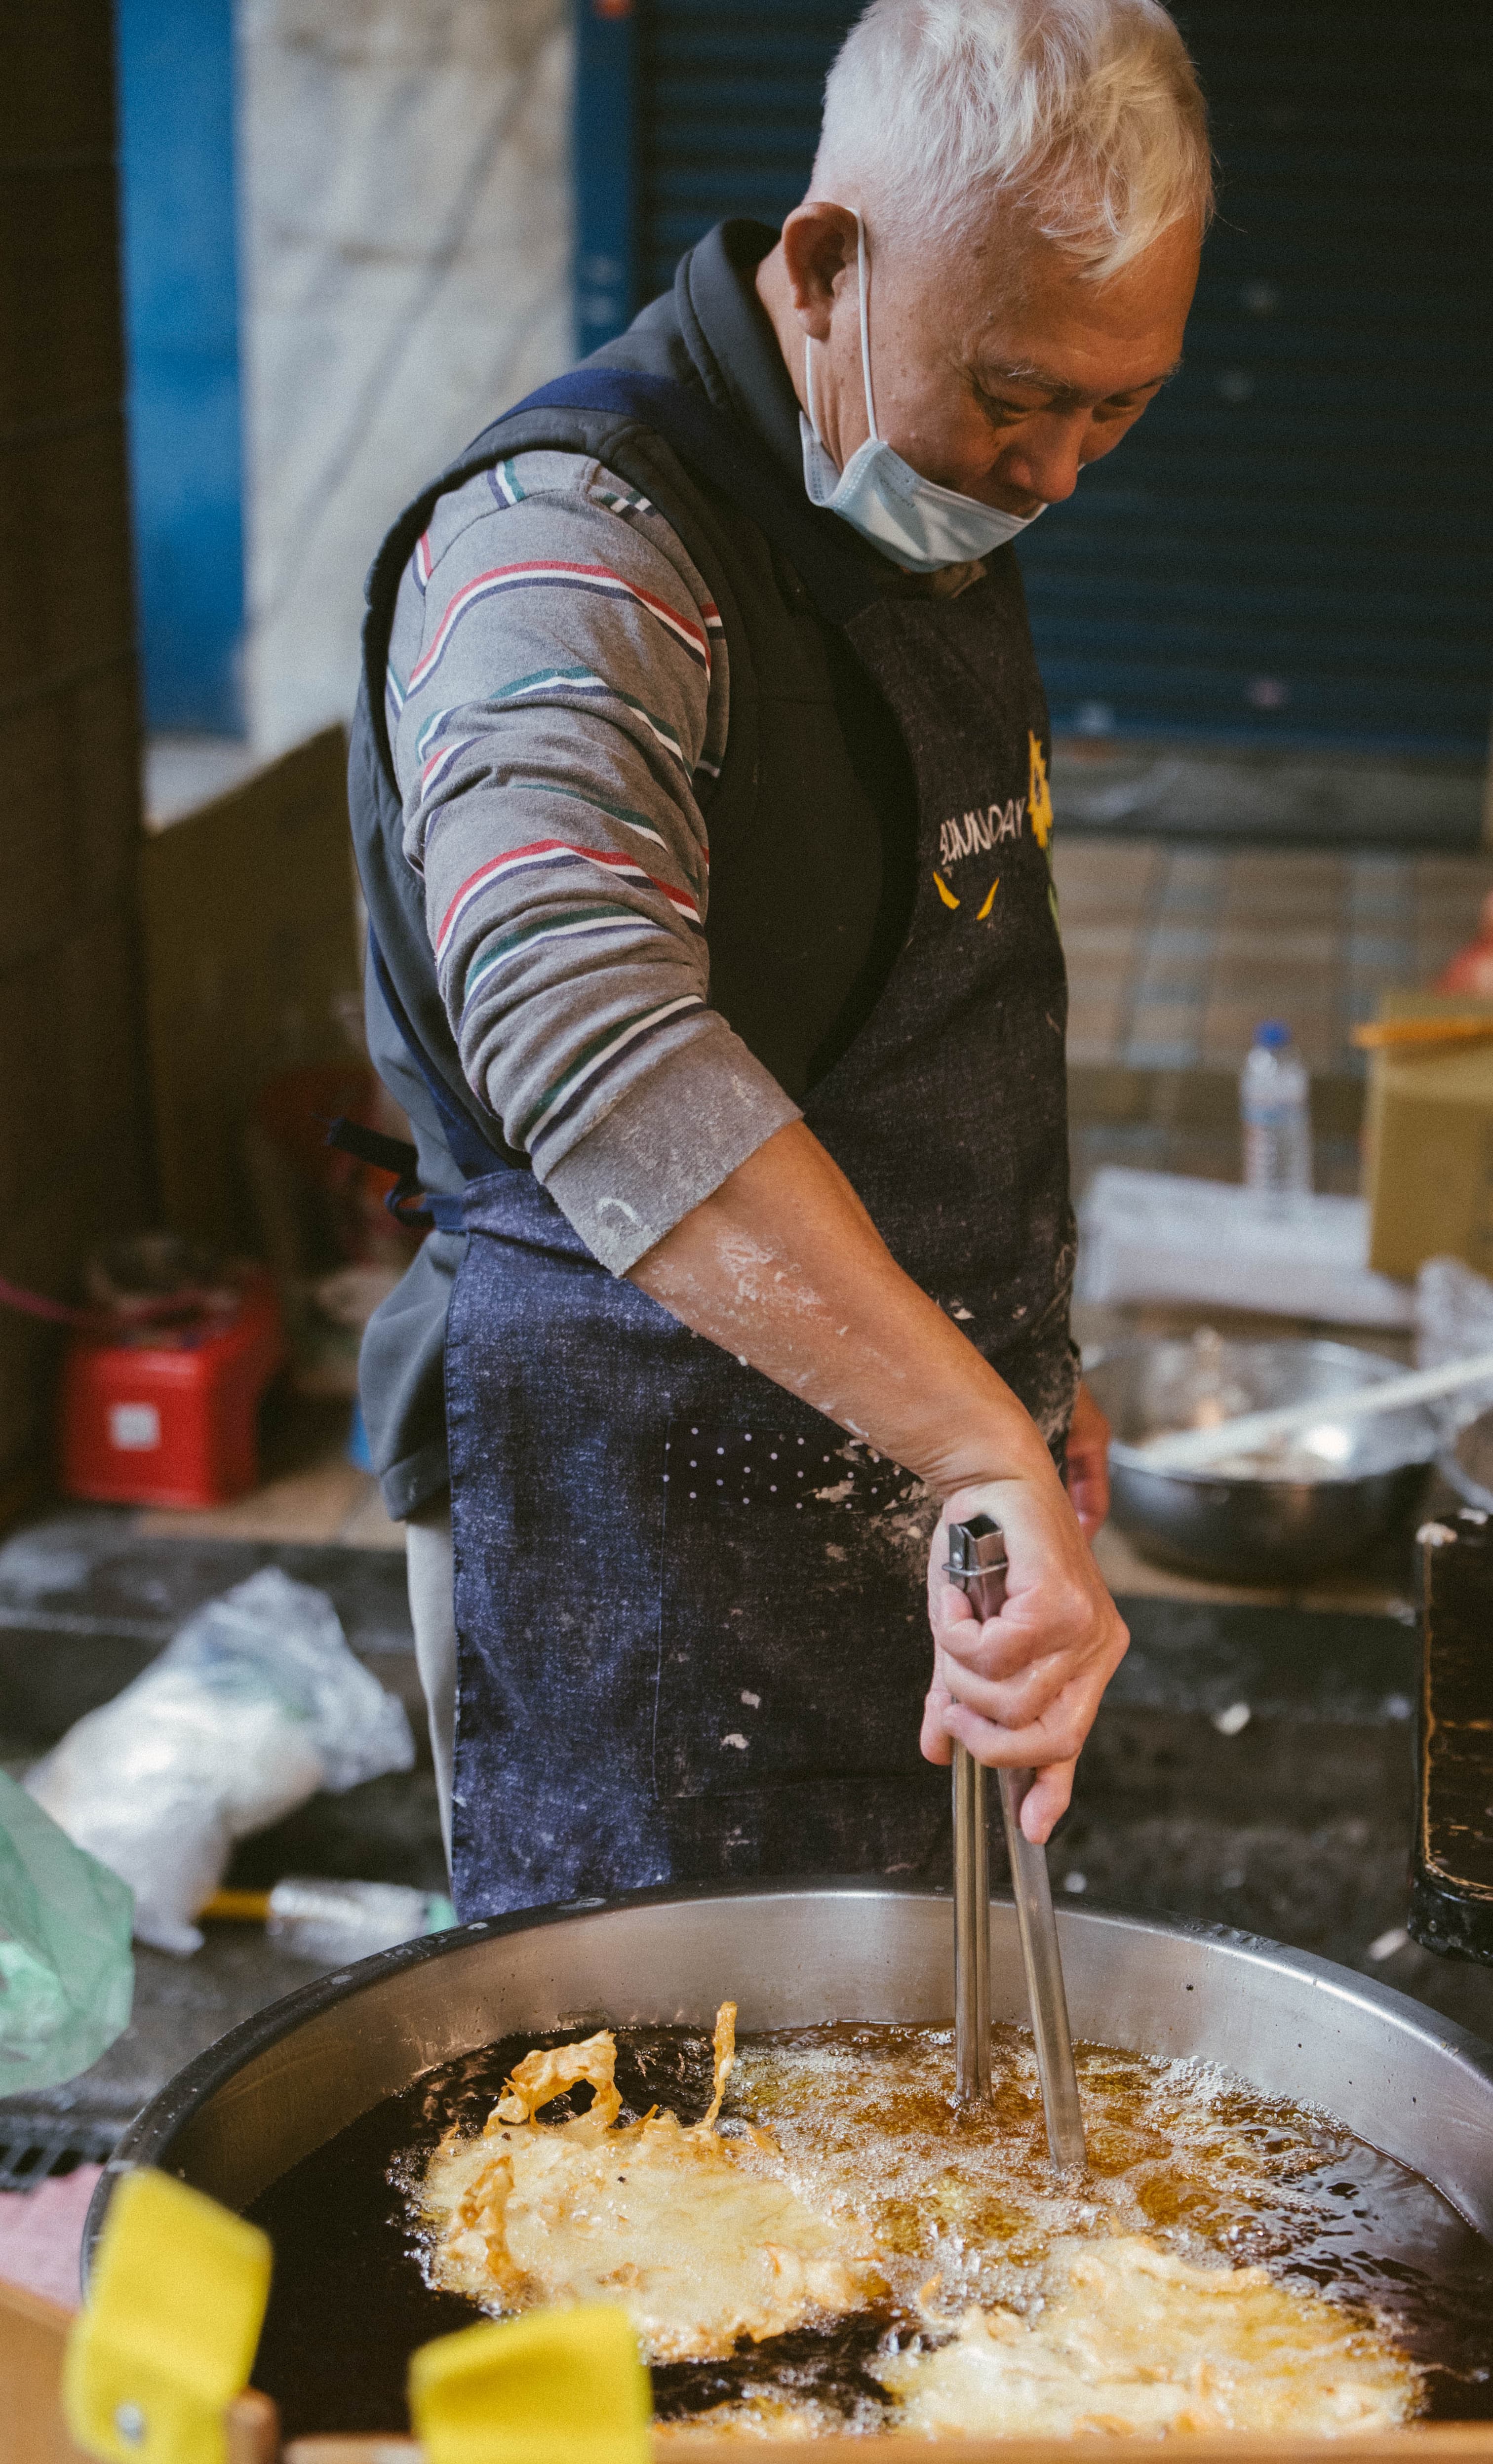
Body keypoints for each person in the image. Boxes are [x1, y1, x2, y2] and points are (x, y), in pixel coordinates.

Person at [349, 0, 1210, 1914]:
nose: (1062, 469)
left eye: (1117, 407)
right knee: (648, 2129)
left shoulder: (923, 488)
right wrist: (972, 1430)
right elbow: (590, 1032)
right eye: (1016, 395)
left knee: (904, 2108)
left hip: (903, 1460)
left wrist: (1021, 1358)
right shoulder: (564, 553)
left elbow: (934, 998)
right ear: (827, 265)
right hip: (624, 1511)